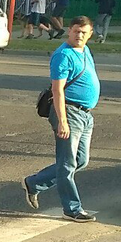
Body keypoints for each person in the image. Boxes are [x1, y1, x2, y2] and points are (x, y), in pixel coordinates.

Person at [23, 16, 100, 223]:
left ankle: (34, 183)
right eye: (76, 31)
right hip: (69, 112)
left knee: (80, 161)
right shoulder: (62, 55)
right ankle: (72, 209)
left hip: (85, 114)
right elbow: (57, 90)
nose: (79, 35)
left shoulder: (85, 50)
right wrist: (63, 121)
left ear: (90, 34)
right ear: (69, 31)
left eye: (84, 32)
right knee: (67, 164)